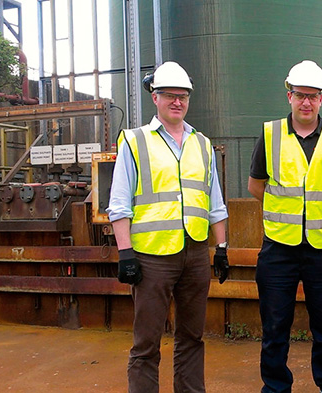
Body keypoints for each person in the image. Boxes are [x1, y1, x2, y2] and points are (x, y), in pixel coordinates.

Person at [107, 60, 229, 393]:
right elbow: (119, 204)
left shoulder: (202, 144)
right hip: (151, 258)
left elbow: (214, 202)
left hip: (194, 254)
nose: (177, 102)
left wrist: (221, 248)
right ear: (155, 97)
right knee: (146, 342)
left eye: (183, 96)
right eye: (169, 95)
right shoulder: (134, 141)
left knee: (192, 337)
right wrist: (125, 254)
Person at [247, 60, 322, 393]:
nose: (306, 102)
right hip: (279, 247)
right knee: (275, 324)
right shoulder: (270, 134)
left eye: (312, 96)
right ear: (289, 95)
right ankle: (276, 387)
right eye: (299, 95)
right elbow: (256, 186)